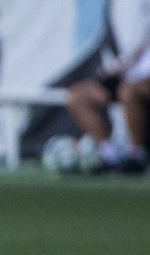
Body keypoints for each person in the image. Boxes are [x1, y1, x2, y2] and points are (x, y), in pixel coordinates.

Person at [64, 38, 150, 174]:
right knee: (78, 95)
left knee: (129, 92)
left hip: (139, 85)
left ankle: (137, 156)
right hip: (129, 79)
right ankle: (108, 156)